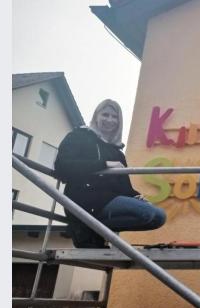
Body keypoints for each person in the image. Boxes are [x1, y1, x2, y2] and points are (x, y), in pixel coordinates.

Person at [54, 99, 166, 248]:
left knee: (158, 217)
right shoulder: (78, 136)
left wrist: (135, 196)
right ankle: (85, 226)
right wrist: (104, 164)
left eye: (114, 117)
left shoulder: (116, 152)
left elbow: (124, 186)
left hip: (109, 200)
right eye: (105, 115)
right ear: (96, 116)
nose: (109, 120)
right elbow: (62, 167)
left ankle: (90, 229)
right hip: (84, 198)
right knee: (147, 213)